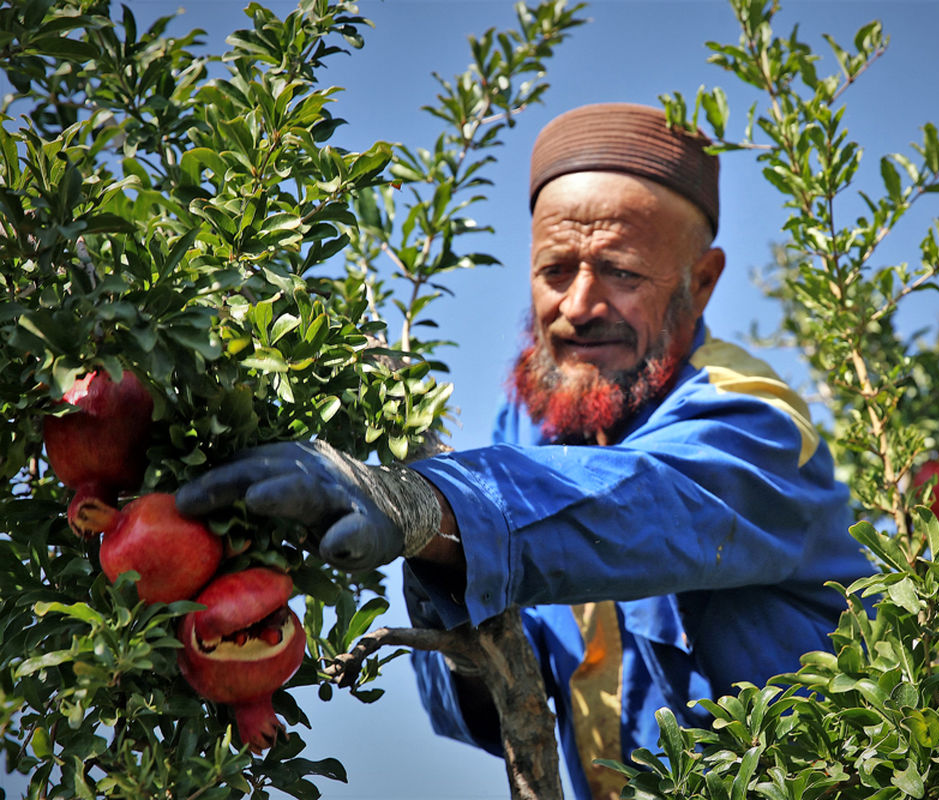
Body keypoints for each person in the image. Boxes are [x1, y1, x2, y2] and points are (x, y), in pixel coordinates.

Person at [176, 102, 871, 800]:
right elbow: (498, 704)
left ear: (704, 282)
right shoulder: (528, 433)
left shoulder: (756, 418)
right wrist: (439, 571)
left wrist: (427, 503)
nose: (579, 304)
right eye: (555, 269)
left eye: (622, 272)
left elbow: (646, 501)